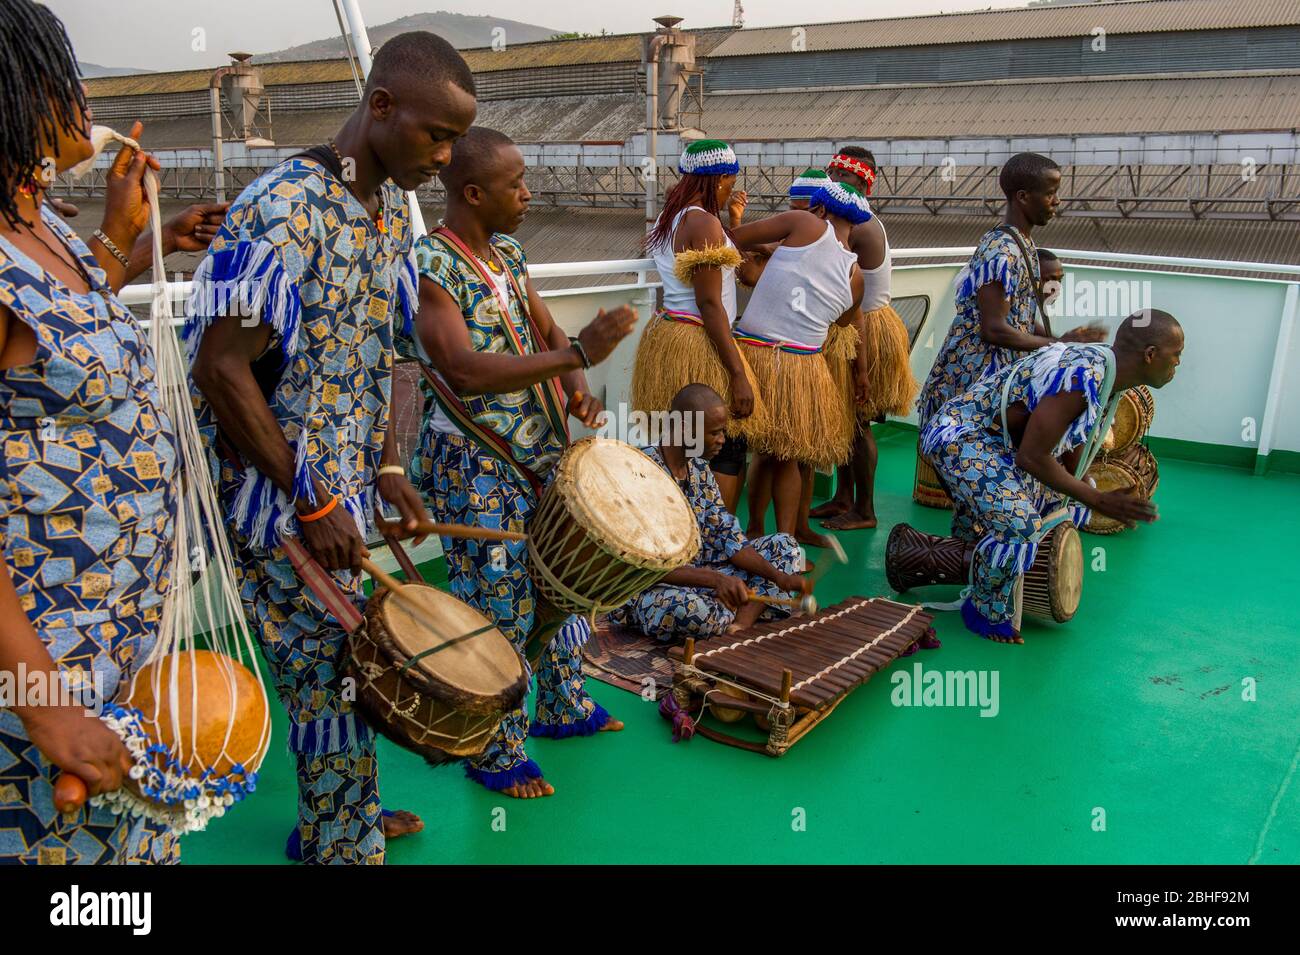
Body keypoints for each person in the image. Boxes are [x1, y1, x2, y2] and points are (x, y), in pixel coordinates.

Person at [187, 31, 477, 864]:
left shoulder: (388, 213)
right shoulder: (280, 209)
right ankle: (340, 841)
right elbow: (220, 367)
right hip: (276, 502)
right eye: (435, 134)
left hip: (339, 495)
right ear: (381, 106)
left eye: (455, 139)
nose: (446, 157)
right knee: (322, 666)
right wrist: (312, 496)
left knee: (346, 660)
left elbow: (381, 352)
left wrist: (386, 465)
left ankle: (342, 807)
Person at [0, 0, 223, 864]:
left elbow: (58, 325)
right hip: (41, 658)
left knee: (122, 863)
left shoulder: (39, 224)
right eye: (65, 82)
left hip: (115, 640)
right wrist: (45, 705)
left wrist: (127, 234)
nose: (83, 102)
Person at [401, 127, 636, 799]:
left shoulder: (507, 252)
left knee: (560, 585)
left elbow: (547, 330)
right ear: (473, 193)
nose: (528, 193)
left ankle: (560, 704)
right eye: (516, 184)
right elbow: (463, 370)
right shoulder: (429, 268)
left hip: (536, 451)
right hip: (471, 463)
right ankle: (493, 749)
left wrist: (578, 390)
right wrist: (577, 359)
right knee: (498, 605)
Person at [920, 311, 1183, 643]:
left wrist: (1079, 491)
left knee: (1050, 505)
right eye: (1176, 355)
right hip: (961, 436)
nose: (1178, 364)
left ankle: (966, 553)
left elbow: (1069, 445)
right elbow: (1031, 457)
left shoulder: (1108, 377)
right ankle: (982, 609)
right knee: (1021, 525)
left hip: (997, 443)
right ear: (1150, 355)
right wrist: (1098, 498)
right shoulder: (1083, 375)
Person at [915, 152, 1104, 434]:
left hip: (998, 372)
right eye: (1050, 193)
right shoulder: (1001, 252)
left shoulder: (1022, 243)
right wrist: (1058, 343)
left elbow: (1019, 318)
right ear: (1023, 197)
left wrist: (1068, 342)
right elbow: (993, 329)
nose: (1057, 201)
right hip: (973, 379)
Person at [728, 181, 868, 546]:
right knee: (789, 457)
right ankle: (785, 544)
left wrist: (768, 248)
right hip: (804, 365)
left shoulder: (803, 223)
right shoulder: (856, 277)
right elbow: (840, 322)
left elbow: (734, 237)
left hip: (757, 354)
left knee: (760, 453)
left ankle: (754, 530)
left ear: (820, 209)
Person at [610, 385, 809, 641]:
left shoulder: (701, 471)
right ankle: (747, 609)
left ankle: (740, 621)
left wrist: (779, 577)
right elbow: (642, 566)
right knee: (691, 612)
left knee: (786, 546)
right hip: (652, 586)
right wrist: (715, 581)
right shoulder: (641, 472)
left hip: (705, 575)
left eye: (723, 431)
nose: (722, 439)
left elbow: (729, 539)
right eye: (715, 432)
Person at [631, 139, 762, 513]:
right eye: (729, 183)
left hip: (671, 333)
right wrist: (738, 372)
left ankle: (684, 532)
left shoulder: (669, 217)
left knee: (683, 440)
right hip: (699, 338)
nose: (729, 192)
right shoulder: (702, 221)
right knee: (727, 439)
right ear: (717, 178)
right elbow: (708, 302)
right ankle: (717, 537)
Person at [813, 146, 919, 531]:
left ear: (860, 182)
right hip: (855, 324)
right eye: (832, 174)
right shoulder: (853, 218)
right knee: (846, 418)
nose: (834, 182)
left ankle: (866, 510)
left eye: (842, 177)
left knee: (859, 423)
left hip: (865, 331)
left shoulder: (857, 225)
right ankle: (843, 498)